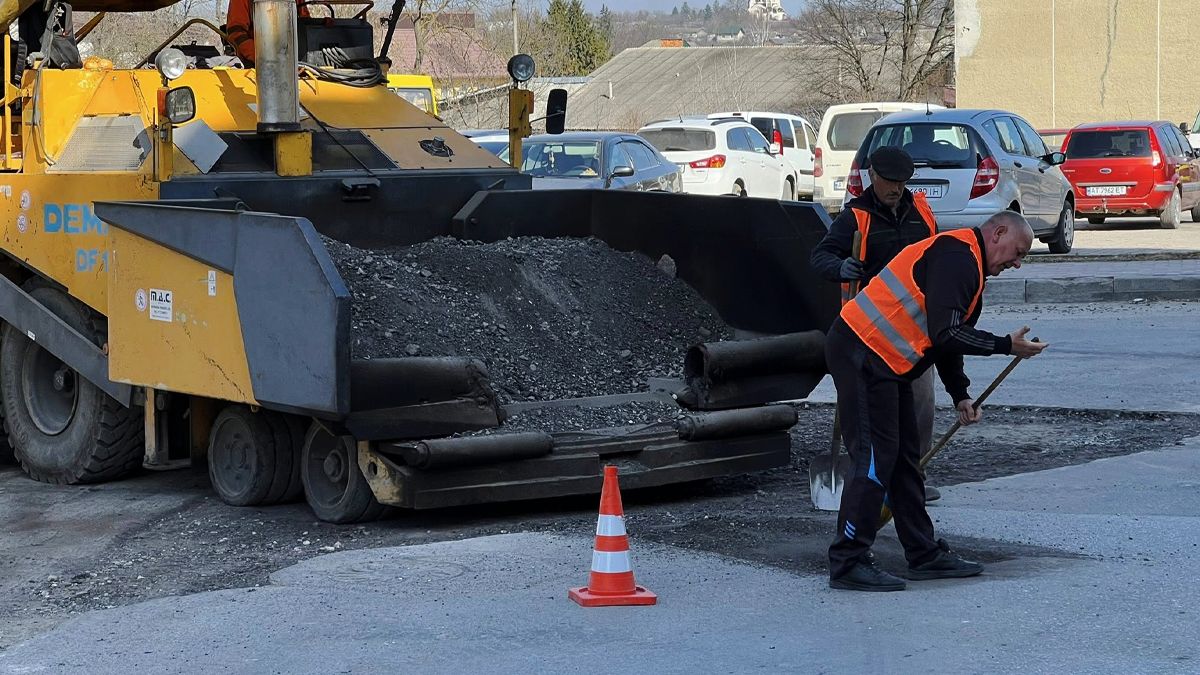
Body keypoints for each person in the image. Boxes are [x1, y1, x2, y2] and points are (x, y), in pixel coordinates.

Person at [825, 211, 1049, 592]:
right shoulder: (957, 256)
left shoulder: (970, 264)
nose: (1017, 262)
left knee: (904, 458)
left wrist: (960, 394)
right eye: (1018, 251)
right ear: (998, 232)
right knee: (877, 458)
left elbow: (947, 338)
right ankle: (847, 561)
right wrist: (1004, 345)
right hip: (861, 351)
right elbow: (946, 334)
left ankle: (923, 554)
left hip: (887, 362)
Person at [810, 146, 944, 503]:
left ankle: (912, 479)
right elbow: (820, 256)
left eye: (901, 183)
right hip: (869, 331)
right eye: (889, 182)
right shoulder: (856, 218)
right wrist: (841, 268)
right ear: (872, 176)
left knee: (920, 406)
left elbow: (937, 254)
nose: (896, 189)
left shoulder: (921, 213)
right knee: (869, 412)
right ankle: (870, 482)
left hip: (915, 329)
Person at [225, 0, 310, 65]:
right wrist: (262, 57)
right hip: (254, 66)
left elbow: (306, 25)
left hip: (297, 63)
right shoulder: (241, 2)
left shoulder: (298, 2)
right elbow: (236, 33)